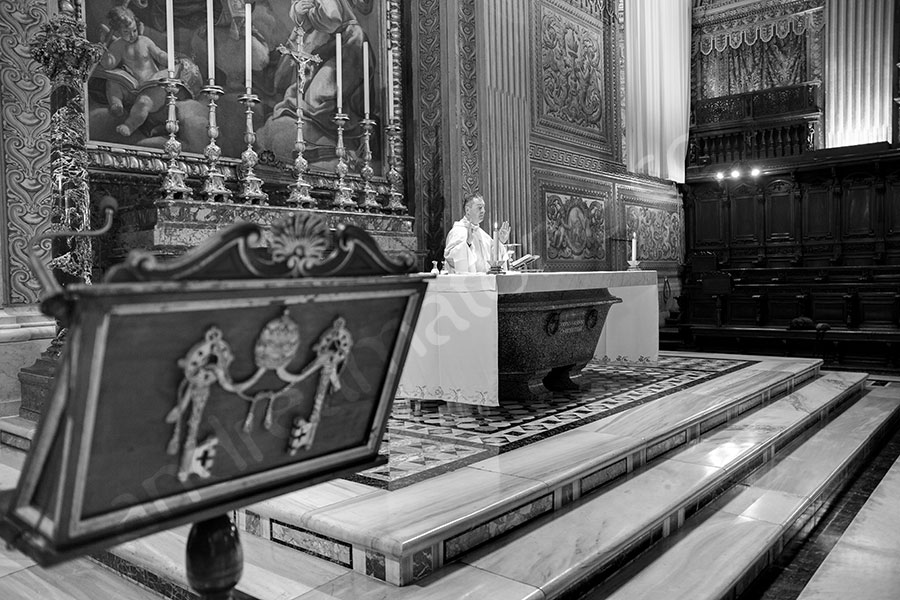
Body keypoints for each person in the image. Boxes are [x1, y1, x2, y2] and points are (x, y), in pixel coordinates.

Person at [100, 5, 169, 138]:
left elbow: (159, 54)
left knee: (144, 102)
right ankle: (116, 105)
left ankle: (129, 125)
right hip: (133, 88)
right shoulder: (118, 45)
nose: (132, 35)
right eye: (126, 32)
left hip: (152, 88)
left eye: (134, 30)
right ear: (118, 33)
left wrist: (167, 59)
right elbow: (109, 64)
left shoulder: (145, 41)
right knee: (113, 82)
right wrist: (104, 48)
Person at [444, 194, 510, 273]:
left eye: (483, 207)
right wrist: (467, 244)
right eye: (479, 208)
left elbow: (494, 259)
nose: (483, 211)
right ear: (468, 210)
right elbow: (450, 258)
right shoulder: (458, 231)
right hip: (467, 282)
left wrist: (499, 242)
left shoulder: (482, 233)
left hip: (484, 281)